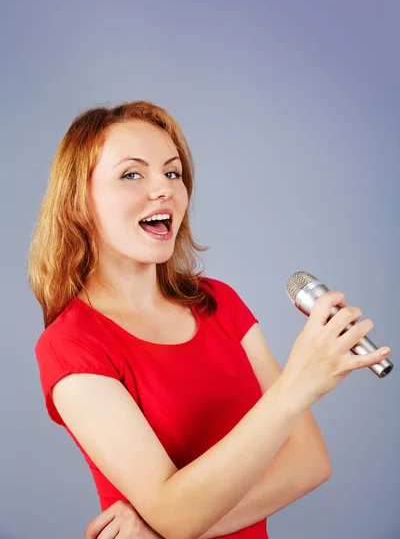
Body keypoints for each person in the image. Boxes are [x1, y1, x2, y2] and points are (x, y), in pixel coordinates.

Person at [29, 100, 391, 539]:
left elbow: (310, 462)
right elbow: (175, 513)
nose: (163, 188)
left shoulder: (217, 302)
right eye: (131, 174)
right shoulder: (71, 346)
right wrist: (297, 384)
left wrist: (163, 528)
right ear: (77, 203)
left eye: (173, 172)